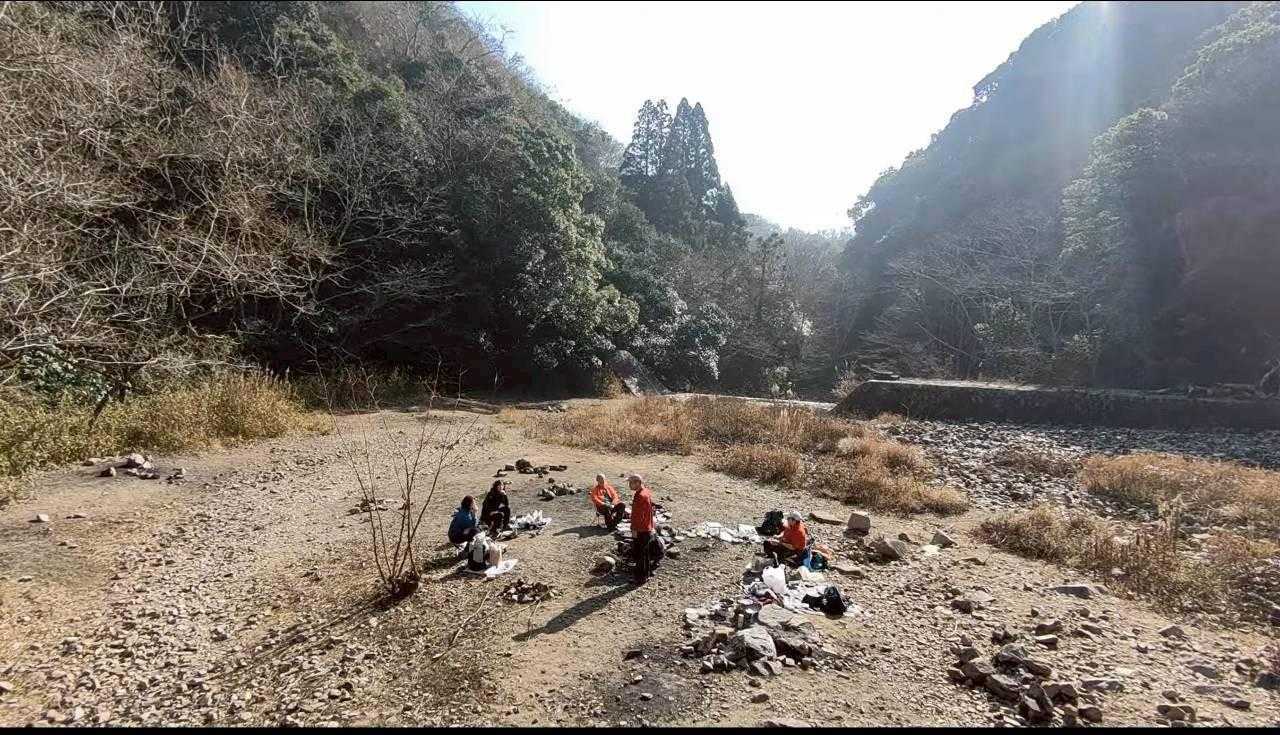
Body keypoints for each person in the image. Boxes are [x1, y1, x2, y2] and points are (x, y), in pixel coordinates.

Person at [628, 473, 657, 584]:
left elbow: (639, 516)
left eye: (631, 483)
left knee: (641, 554)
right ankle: (646, 574)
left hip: (642, 529)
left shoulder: (641, 496)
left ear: (638, 483)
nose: (629, 485)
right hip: (646, 527)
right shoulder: (645, 492)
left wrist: (634, 529)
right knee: (644, 553)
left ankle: (641, 578)